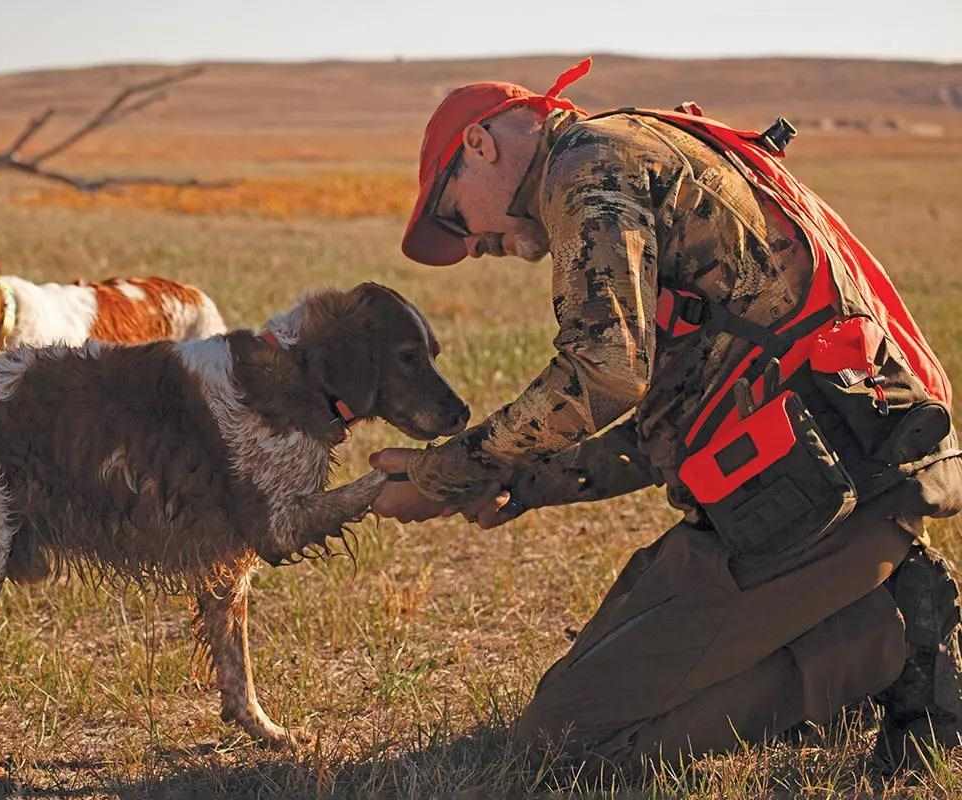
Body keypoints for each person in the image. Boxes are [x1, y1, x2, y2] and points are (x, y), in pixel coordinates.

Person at [370, 57, 962, 772]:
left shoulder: (586, 165)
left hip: (825, 504)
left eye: (453, 215)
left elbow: (606, 373)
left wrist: (444, 471)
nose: (475, 247)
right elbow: (660, 435)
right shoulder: (626, 155)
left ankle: (884, 638)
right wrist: (516, 485)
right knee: (574, 695)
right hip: (807, 491)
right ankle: (860, 616)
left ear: (481, 145)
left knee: (567, 749)